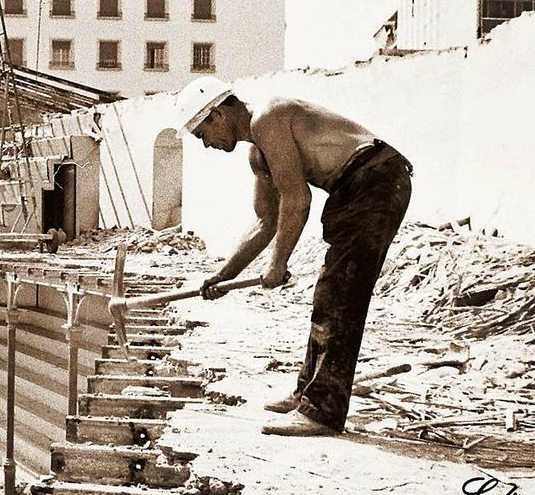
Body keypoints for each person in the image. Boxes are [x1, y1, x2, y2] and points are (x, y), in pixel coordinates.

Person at [175, 77, 413, 437]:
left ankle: (323, 412)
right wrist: (223, 276)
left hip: (376, 178)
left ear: (218, 115)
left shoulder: (268, 119)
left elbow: (297, 200)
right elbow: (266, 222)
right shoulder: (259, 154)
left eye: (201, 135)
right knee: (329, 295)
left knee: (340, 295)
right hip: (355, 187)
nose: (207, 145)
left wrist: (278, 264)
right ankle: (309, 394)